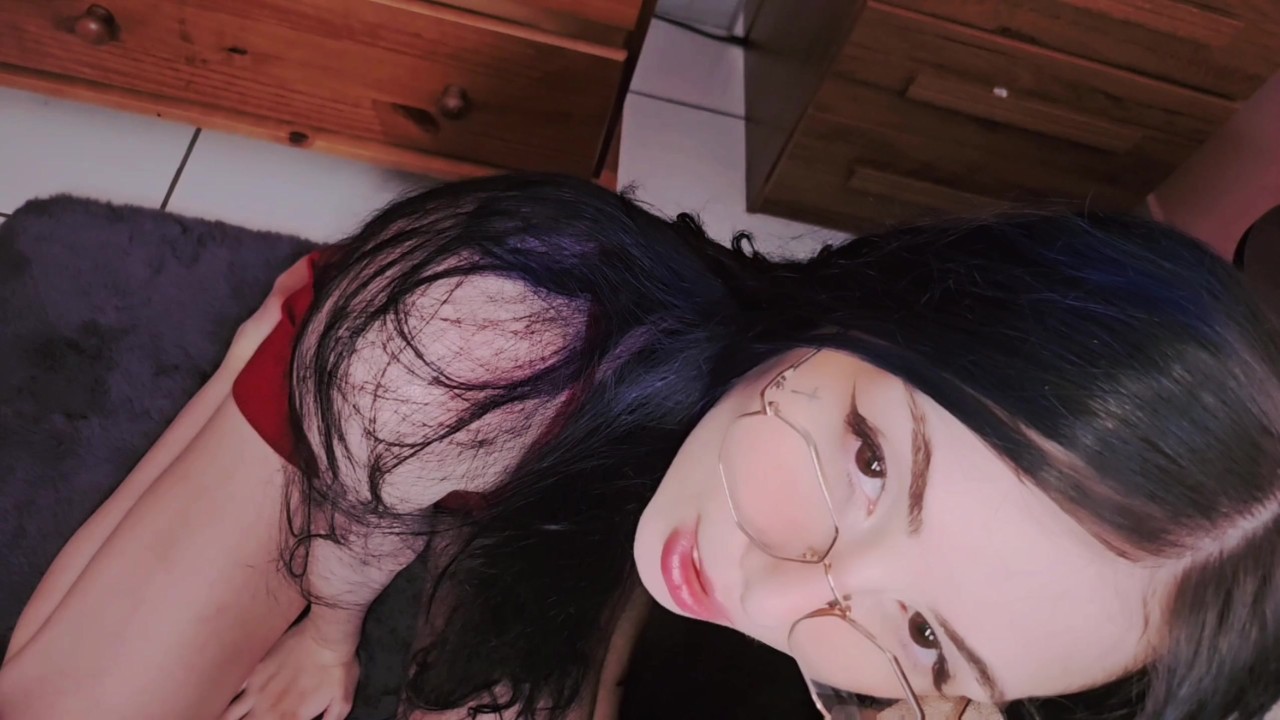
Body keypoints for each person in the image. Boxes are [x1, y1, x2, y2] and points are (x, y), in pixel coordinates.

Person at [1, 173, 1278, 720]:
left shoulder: (858, 669)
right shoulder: (470, 331)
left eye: (930, 639)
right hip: (395, 395)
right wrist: (328, 631)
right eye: (870, 466)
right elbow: (361, 510)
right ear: (890, 312)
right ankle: (283, 321)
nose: (771, 600)